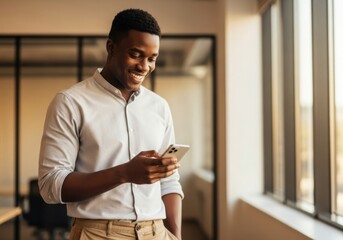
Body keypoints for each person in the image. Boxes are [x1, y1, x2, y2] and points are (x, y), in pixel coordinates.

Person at [38, 8, 183, 240]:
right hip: (98, 234)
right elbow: (51, 185)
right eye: (135, 54)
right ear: (111, 48)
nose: (144, 66)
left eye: (152, 58)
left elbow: (169, 181)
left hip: (157, 232)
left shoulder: (159, 107)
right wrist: (125, 173)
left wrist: (175, 235)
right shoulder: (71, 102)